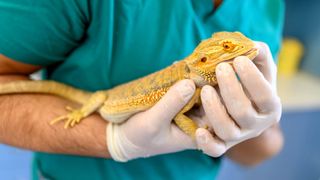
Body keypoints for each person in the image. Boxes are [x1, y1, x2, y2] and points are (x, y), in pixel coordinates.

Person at [0, 0, 284, 179]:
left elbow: (259, 153)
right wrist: (114, 139)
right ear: (206, 59)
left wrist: (255, 126)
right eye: (226, 48)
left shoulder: (269, 6)